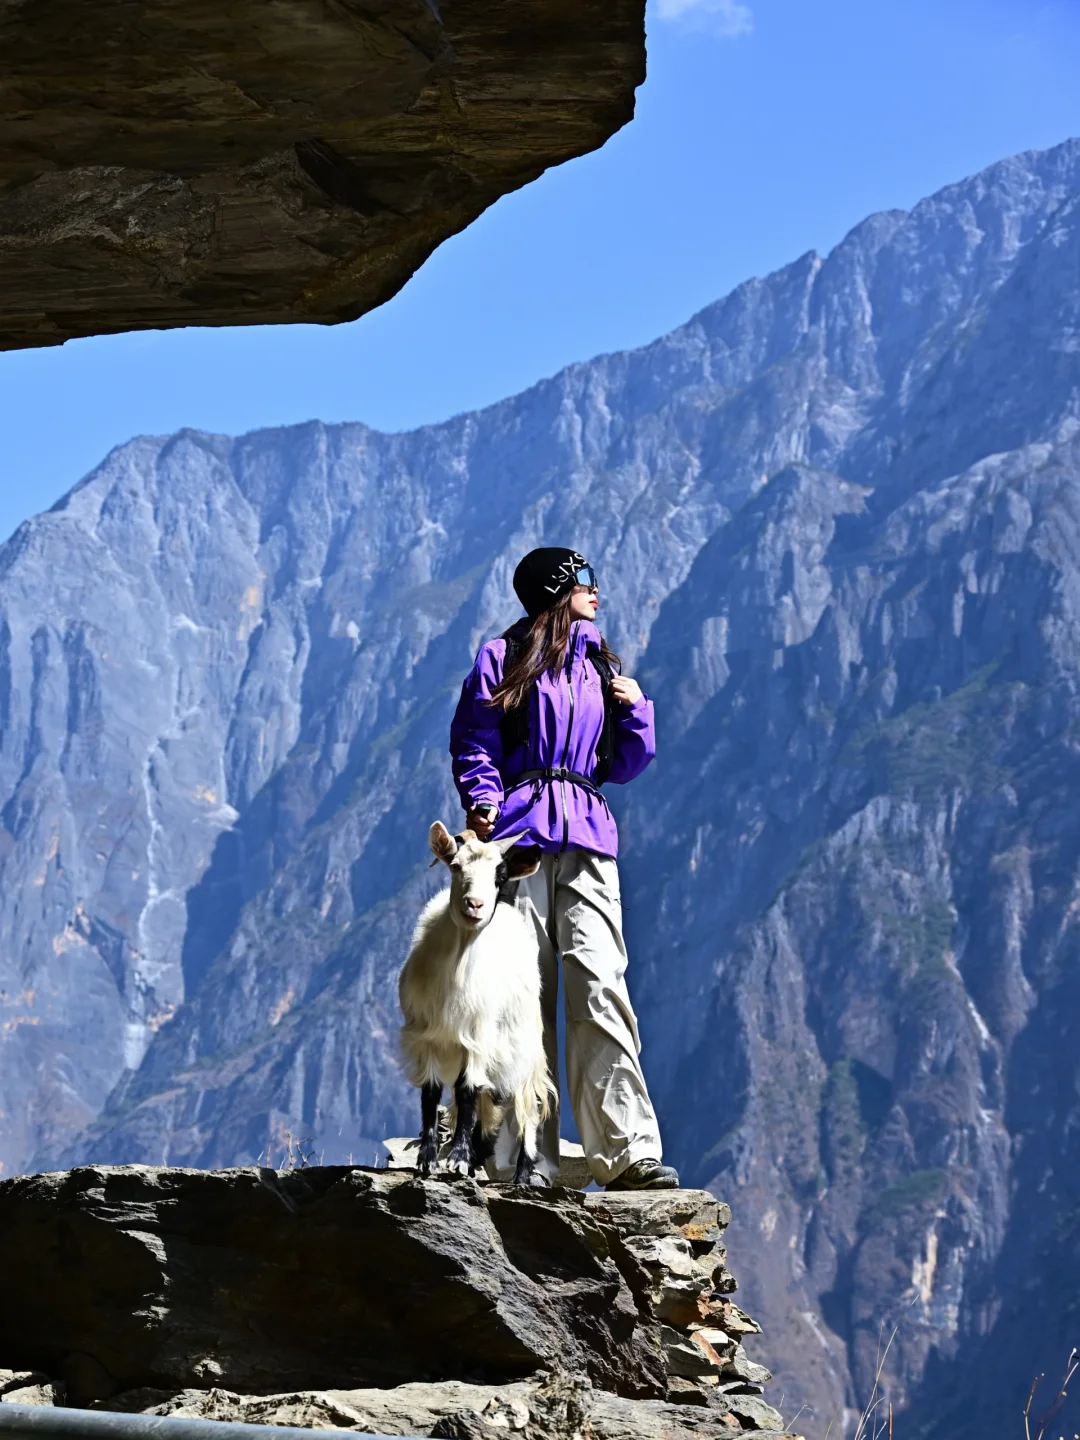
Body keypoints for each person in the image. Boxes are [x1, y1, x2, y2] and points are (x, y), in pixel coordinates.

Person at [449, 546, 678, 1190]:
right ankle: (522, 1158)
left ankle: (628, 1151)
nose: (596, 591)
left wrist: (636, 712)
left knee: (601, 985)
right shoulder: (502, 657)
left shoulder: (602, 668)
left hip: (587, 833)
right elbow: (475, 739)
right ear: (558, 588)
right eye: (585, 580)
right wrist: (485, 802)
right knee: (521, 997)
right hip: (519, 839)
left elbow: (621, 765)